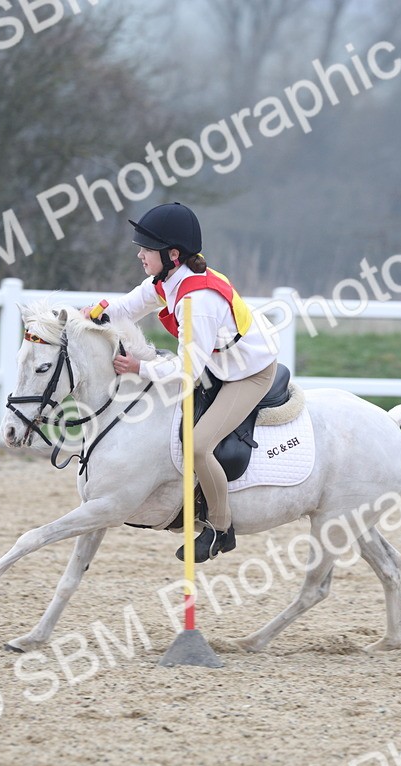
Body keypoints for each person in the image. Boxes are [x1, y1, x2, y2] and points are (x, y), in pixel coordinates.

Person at [86, 202, 278, 563]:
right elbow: (127, 307)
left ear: (172, 254)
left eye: (147, 249)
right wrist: (96, 314)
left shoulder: (197, 301)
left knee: (198, 445)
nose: (140, 254)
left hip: (247, 373)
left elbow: (187, 372)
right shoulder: (167, 280)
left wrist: (139, 370)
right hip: (217, 364)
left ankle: (221, 528)